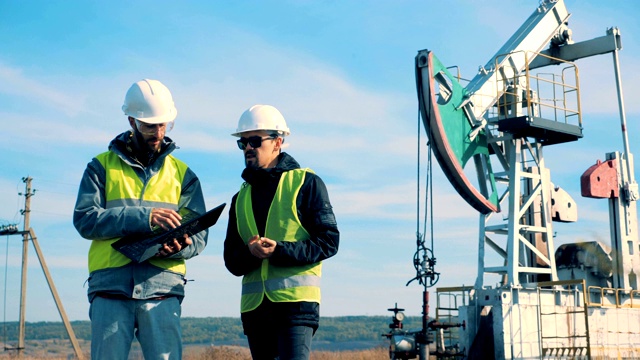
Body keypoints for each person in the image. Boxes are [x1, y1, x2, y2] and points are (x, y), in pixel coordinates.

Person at [73, 79, 208, 360]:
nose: (158, 133)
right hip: (111, 287)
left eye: (164, 125)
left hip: (162, 287)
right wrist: (144, 218)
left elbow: (198, 236)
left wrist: (180, 246)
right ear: (132, 121)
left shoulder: (184, 174)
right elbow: (85, 220)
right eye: (150, 125)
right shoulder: (100, 167)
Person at [224, 104, 340, 360]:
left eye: (255, 141)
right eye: (242, 143)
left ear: (278, 142)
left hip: (296, 310)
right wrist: (251, 253)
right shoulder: (239, 198)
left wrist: (279, 250)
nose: (248, 148)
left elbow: (329, 242)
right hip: (255, 313)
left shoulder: (307, 183)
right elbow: (232, 261)